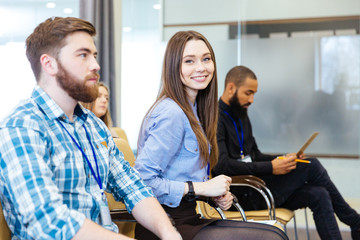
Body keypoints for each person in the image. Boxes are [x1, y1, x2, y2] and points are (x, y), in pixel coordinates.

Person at [0, 17, 182, 240]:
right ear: (49, 64)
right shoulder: (22, 127)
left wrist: (169, 234)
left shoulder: (93, 125)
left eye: (94, 55)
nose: (95, 65)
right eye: (83, 55)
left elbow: (133, 187)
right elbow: (47, 220)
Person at [134, 31, 288, 240]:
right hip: (165, 224)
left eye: (206, 59)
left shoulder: (195, 110)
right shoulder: (172, 113)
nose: (201, 67)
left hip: (188, 217)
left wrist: (211, 195)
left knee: (274, 232)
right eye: (189, 61)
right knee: (272, 238)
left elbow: (179, 177)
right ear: (173, 67)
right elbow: (141, 181)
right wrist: (202, 187)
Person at [213, 65, 360, 240]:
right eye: (248, 93)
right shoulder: (215, 118)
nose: (252, 99)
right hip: (240, 194)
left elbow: (255, 155)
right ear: (231, 88)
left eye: (254, 94)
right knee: (312, 166)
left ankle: (354, 224)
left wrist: (284, 159)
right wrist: (271, 167)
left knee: (319, 194)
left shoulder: (241, 113)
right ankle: (355, 221)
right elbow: (222, 165)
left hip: (258, 188)